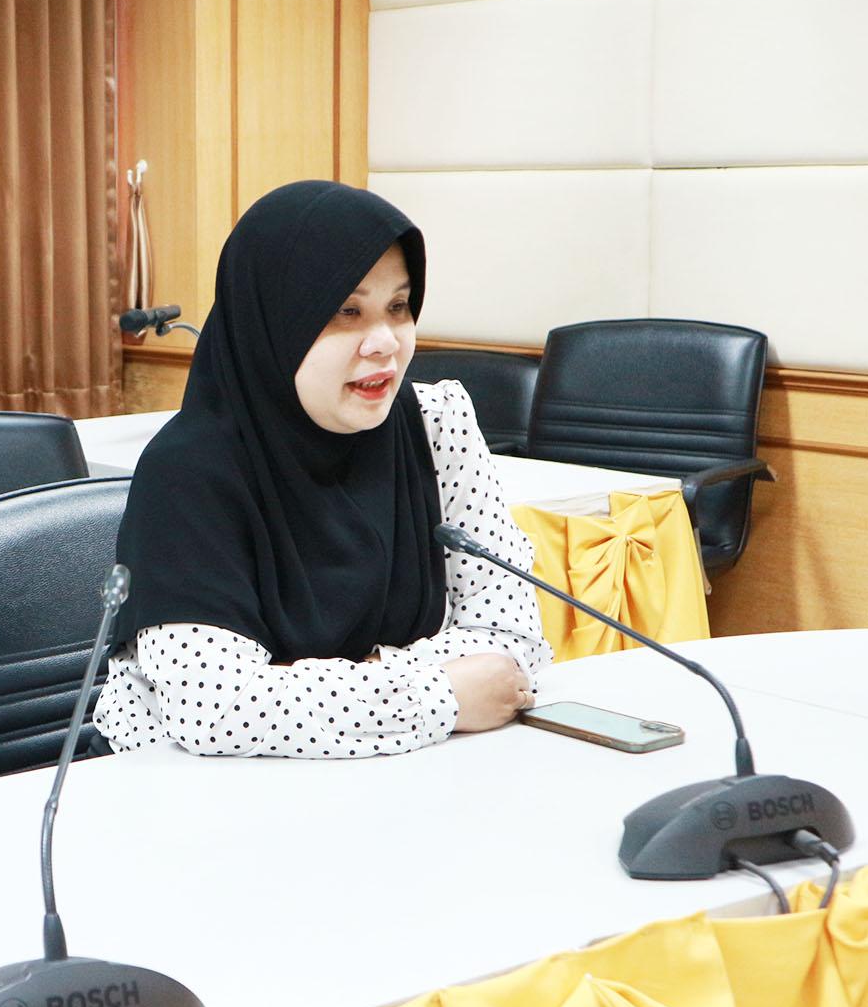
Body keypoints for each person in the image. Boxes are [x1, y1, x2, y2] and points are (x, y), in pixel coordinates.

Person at [94, 181, 551, 758]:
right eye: (346, 311)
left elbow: (512, 643)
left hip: (411, 773)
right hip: (208, 792)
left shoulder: (436, 424)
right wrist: (439, 694)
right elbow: (214, 710)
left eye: (399, 307)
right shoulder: (189, 471)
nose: (384, 343)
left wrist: (327, 685)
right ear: (274, 323)